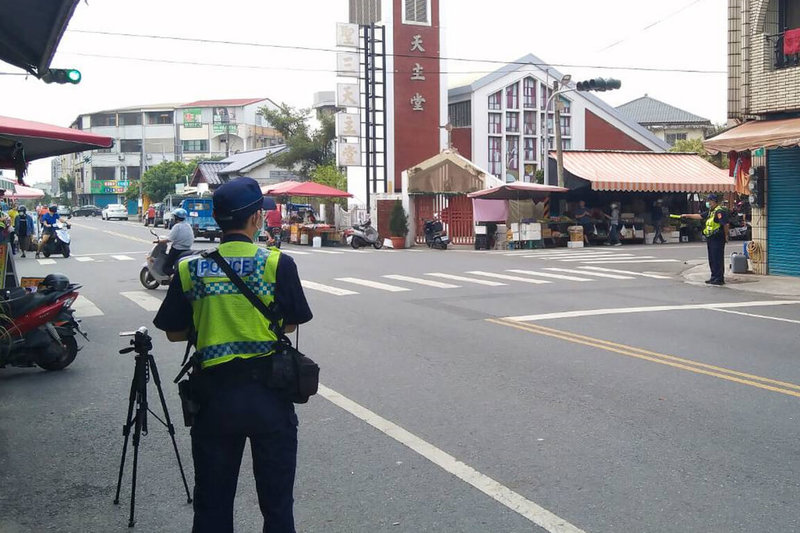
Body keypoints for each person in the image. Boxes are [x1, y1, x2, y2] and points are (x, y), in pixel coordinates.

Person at [154, 177, 312, 533]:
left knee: (212, 501)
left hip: (213, 397)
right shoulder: (277, 263)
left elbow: (173, 332)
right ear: (256, 219)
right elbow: (289, 324)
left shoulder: (189, 268)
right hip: (270, 395)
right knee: (277, 503)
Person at [680, 193, 729, 285]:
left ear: (714, 202)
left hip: (718, 238)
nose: (708, 203)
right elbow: (700, 216)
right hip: (711, 238)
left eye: (710, 201)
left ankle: (719, 278)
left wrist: (726, 236)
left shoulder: (719, 211)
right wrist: (687, 215)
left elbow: (725, 224)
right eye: (708, 201)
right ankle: (713, 277)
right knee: (712, 258)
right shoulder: (711, 211)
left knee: (717, 258)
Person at [161, 208, 194, 275]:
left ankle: (175, 275)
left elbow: (170, 239)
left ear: (176, 218)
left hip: (177, 250)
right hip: (188, 250)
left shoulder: (177, 226)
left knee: (166, 268)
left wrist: (159, 241)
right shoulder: (188, 225)